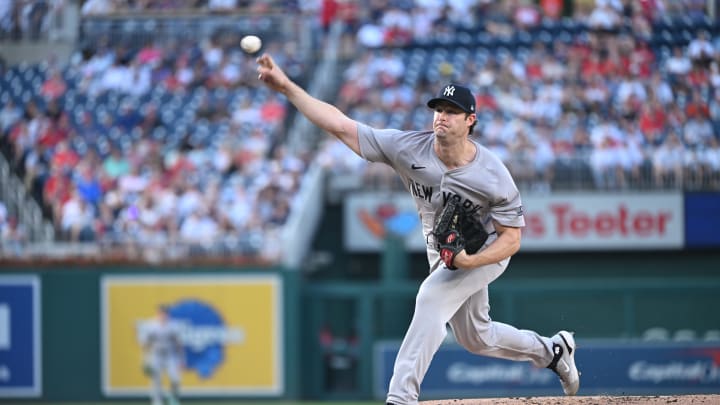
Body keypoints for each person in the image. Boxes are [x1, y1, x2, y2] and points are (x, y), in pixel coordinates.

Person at [255, 54, 580, 404]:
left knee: (430, 297)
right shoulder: (409, 147)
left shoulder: (492, 174)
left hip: (485, 250)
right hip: (442, 248)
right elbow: (341, 125)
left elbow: (512, 238)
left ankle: (401, 396)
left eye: (452, 111)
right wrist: (288, 88)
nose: (441, 116)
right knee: (477, 338)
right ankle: (552, 351)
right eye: (438, 109)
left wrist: (471, 261)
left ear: (471, 120)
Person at [136, 305, 184, 405]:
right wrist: (145, 359)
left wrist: (181, 359)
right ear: (157, 314)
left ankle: (173, 399)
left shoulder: (173, 326)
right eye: (161, 313)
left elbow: (179, 344)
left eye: (165, 313)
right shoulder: (151, 325)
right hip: (156, 354)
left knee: (175, 378)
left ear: (168, 314)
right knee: (156, 379)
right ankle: (157, 401)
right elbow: (144, 344)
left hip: (170, 355)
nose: (163, 315)